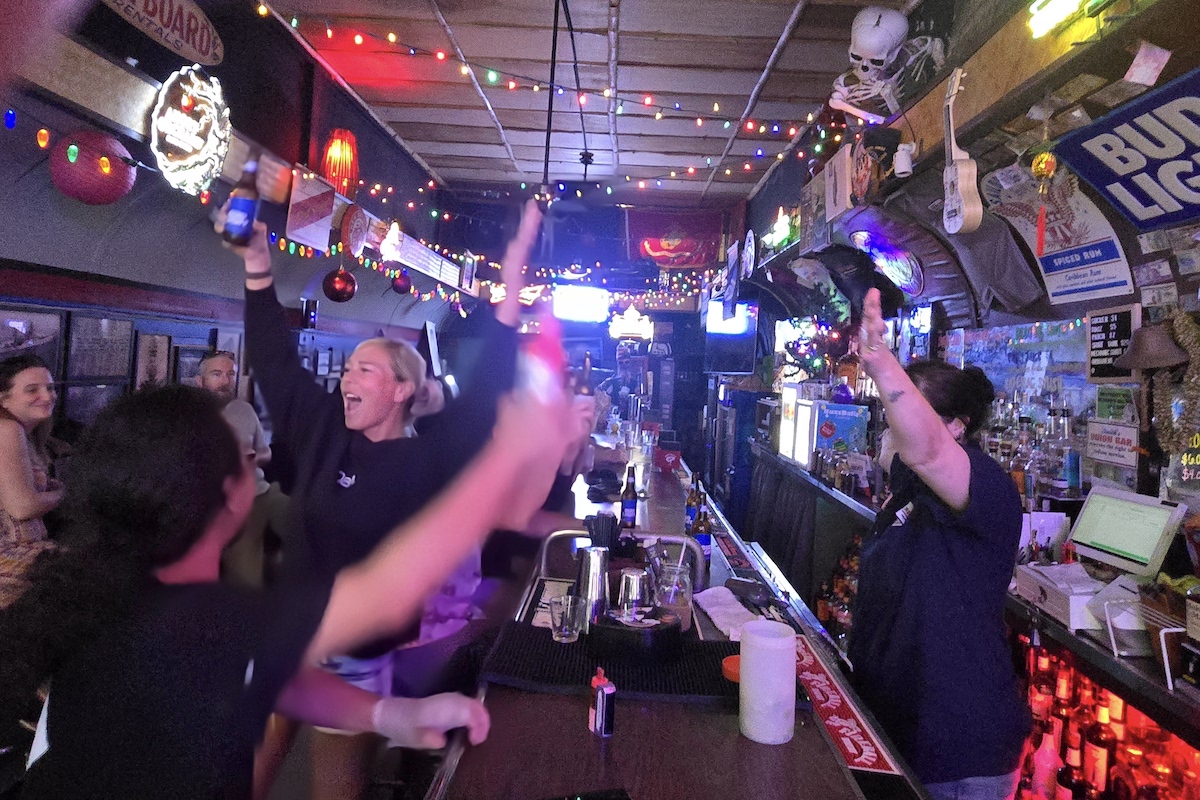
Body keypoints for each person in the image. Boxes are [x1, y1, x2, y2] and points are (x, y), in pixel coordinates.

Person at [1, 380, 571, 798]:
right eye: (245, 461)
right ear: (230, 495)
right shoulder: (199, 616)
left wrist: (389, 716)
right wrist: (509, 458)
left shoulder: (114, 583)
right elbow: (387, 593)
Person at [222, 199, 542, 798]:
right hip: (287, 630)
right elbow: (274, 358)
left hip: (357, 653)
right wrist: (259, 270)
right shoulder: (323, 433)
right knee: (244, 778)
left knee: (335, 790)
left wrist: (517, 263)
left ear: (401, 389)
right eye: (348, 367)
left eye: (365, 370)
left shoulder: (431, 458)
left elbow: (489, 379)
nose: (347, 376)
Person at [851, 288, 1031, 800]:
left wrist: (884, 364)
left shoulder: (986, 487)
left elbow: (926, 450)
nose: (892, 419)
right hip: (901, 730)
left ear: (956, 426)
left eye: (911, 408)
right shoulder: (910, 488)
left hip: (957, 747)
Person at [195, 349, 289, 588]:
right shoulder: (188, 416)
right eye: (217, 374)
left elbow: (266, 452)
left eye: (230, 374)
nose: (226, 381)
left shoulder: (244, 410)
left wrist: (253, 458)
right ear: (200, 381)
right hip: (209, 502)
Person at [0, 355, 62, 608]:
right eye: (32, 390)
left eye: (49, 388)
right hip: (9, 553)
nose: (47, 397)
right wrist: (68, 492)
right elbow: (22, 507)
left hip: (26, 546)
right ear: (3, 398)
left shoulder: (28, 433)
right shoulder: (7, 429)